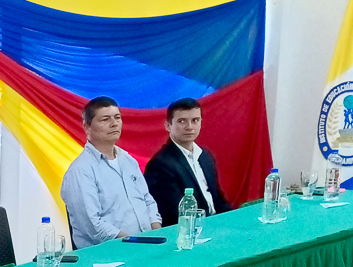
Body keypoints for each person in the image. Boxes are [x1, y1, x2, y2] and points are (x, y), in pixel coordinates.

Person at [61, 96, 162, 248]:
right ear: (87, 127)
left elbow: (147, 200)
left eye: (117, 118)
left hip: (146, 245)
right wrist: (132, 242)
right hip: (109, 255)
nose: (114, 124)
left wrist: (156, 234)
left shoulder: (128, 161)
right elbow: (92, 225)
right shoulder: (80, 171)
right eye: (105, 119)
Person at [144, 97, 232, 225]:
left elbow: (218, 199)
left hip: (216, 223)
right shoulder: (160, 165)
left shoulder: (205, 156)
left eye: (195, 120)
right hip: (190, 231)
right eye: (182, 121)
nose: (189, 127)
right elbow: (175, 215)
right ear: (168, 126)